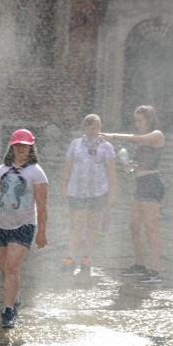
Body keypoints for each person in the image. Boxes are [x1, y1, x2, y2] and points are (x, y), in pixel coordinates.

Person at [0, 129, 49, 328]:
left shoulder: (36, 172)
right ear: (11, 146)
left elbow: (42, 205)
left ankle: (8, 309)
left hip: (24, 225)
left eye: (25, 145)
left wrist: (42, 232)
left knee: (11, 267)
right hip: (2, 226)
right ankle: (14, 296)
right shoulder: (0, 170)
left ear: (31, 148)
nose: (21, 149)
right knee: (5, 269)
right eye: (17, 145)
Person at [100, 105, 165, 283]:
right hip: (140, 184)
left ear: (149, 120)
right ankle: (139, 265)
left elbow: (137, 139)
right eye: (135, 120)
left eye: (139, 120)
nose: (136, 123)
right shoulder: (144, 140)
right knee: (134, 226)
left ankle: (154, 271)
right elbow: (139, 162)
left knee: (151, 228)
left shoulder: (157, 135)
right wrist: (129, 165)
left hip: (152, 184)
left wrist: (113, 136)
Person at [60, 114, 116, 273]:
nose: (94, 128)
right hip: (76, 190)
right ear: (84, 127)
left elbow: (111, 172)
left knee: (92, 225)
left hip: (98, 191)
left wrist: (112, 194)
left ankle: (86, 257)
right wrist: (63, 187)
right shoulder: (75, 144)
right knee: (76, 224)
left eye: (97, 125)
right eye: (90, 125)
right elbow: (67, 167)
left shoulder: (106, 145)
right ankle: (70, 257)